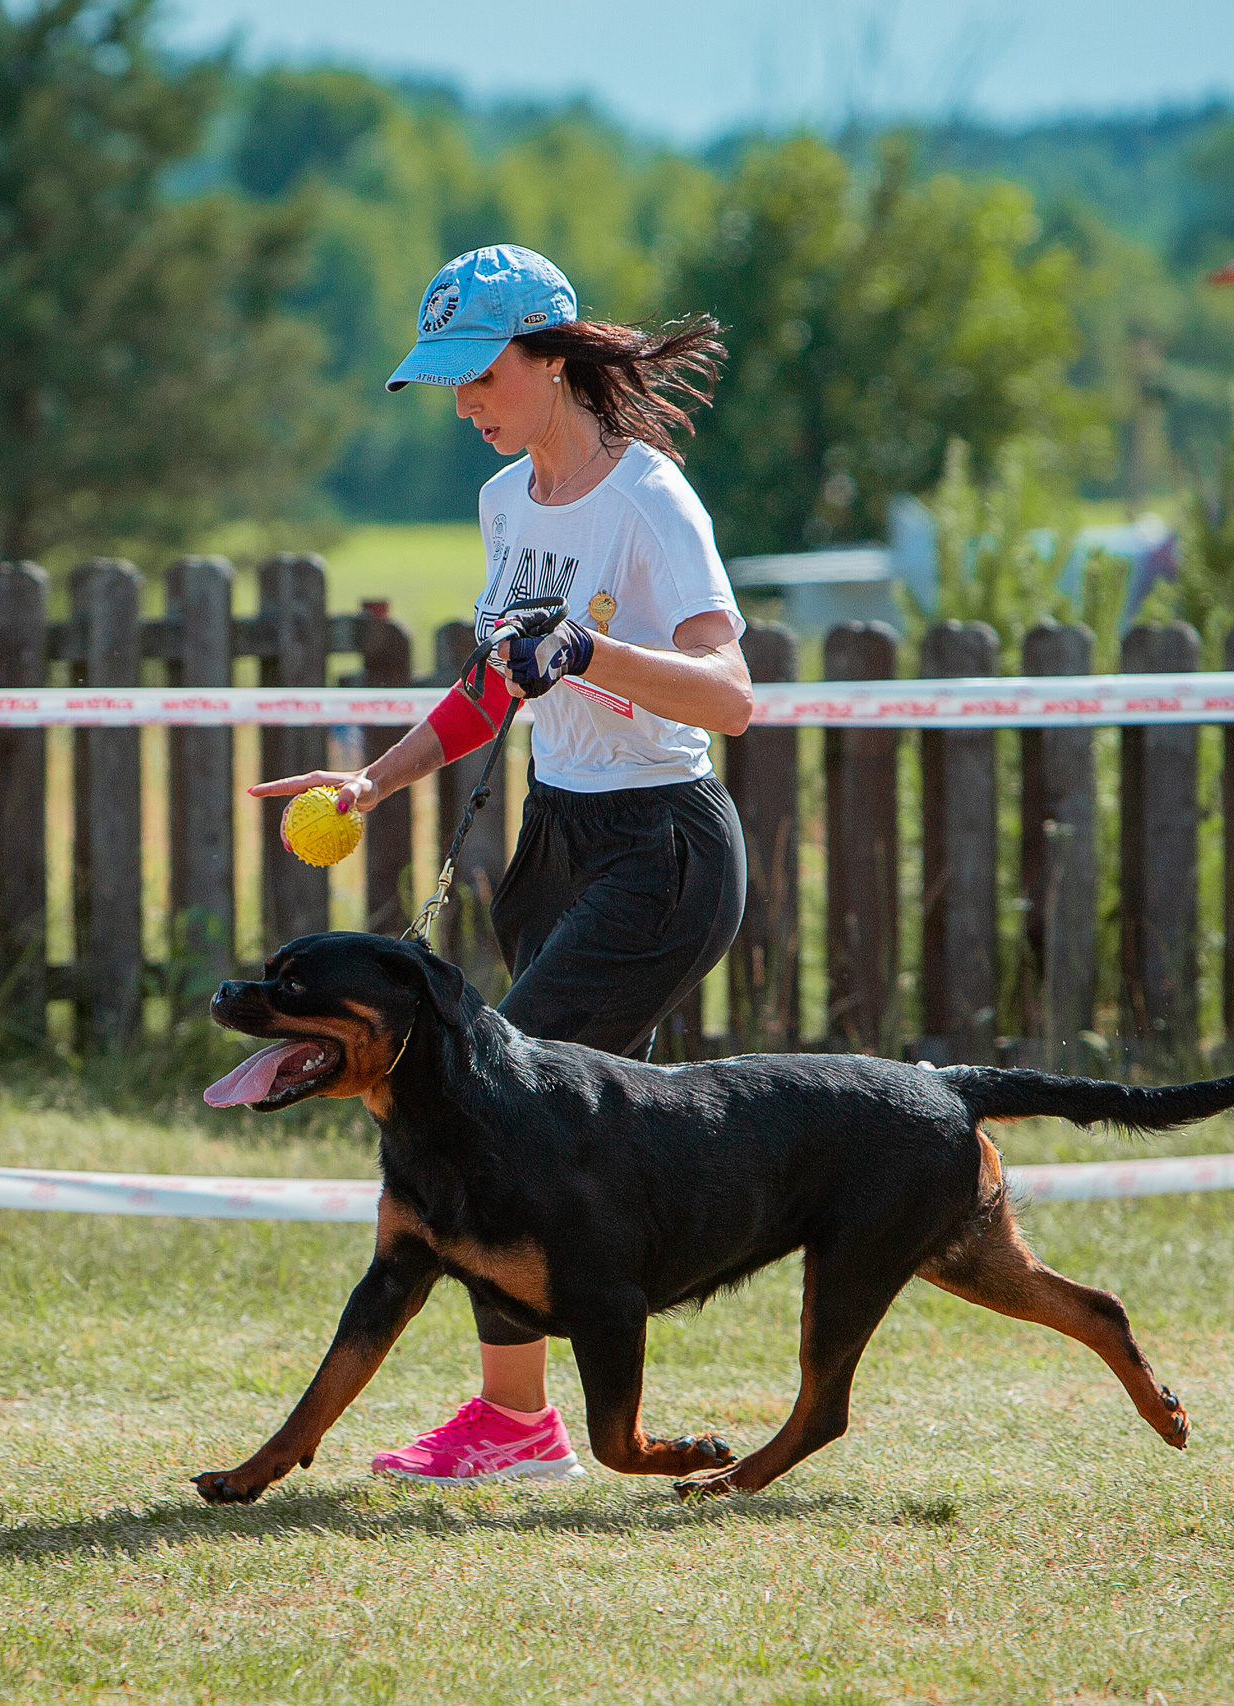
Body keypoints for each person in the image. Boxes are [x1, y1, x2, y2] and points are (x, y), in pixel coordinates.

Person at [249, 244, 752, 1483]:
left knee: (492, 1105)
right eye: (445, 385)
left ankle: (518, 1423)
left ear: (551, 353)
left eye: (477, 376)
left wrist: (585, 651)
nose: (462, 404)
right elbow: (491, 686)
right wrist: (371, 779)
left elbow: (731, 697)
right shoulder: (502, 504)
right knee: (561, 1134)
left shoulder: (649, 498)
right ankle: (542, 1411)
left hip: (665, 847)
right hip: (555, 838)